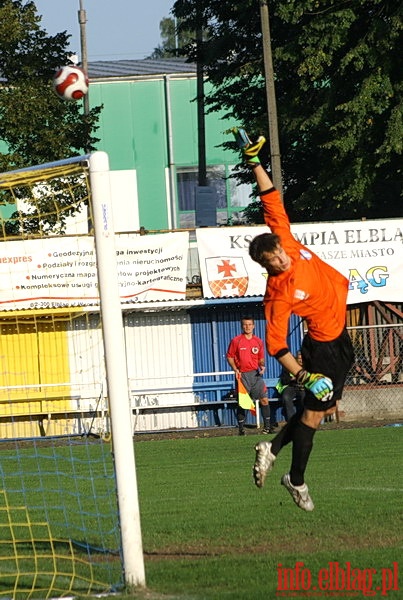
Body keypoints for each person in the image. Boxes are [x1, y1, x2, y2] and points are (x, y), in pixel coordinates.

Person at [230, 127, 354, 511]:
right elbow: (276, 345)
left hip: (341, 338)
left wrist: (254, 163)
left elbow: (270, 198)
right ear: (265, 266)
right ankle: (296, 480)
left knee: (314, 412)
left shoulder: (286, 239)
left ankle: (271, 447)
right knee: (315, 416)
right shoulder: (278, 294)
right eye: (273, 263)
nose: (281, 261)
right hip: (322, 348)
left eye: (280, 255)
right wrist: (304, 374)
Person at [226, 316, 274, 436]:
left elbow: (261, 358)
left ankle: (267, 428)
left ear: (254, 326)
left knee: (264, 399)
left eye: (249, 324)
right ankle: (241, 429)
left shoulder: (258, 341)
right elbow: (229, 356)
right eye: (245, 325)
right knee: (243, 403)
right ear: (242, 326)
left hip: (256, 374)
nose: (247, 327)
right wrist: (235, 369)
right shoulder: (236, 340)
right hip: (242, 375)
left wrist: (262, 366)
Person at [275, 352, 305, 422]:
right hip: (290, 386)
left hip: (302, 387)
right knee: (286, 398)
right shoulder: (288, 366)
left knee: (305, 398)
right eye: (299, 358)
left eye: (302, 359)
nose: (301, 360)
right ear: (296, 359)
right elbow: (284, 381)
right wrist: (294, 379)